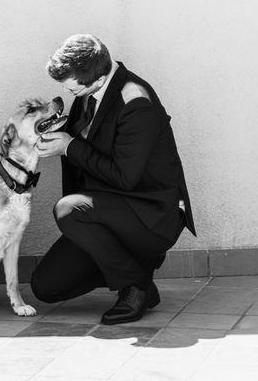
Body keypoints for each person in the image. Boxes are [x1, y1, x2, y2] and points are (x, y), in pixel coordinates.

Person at [32, 34, 196, 325]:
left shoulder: (135, 101)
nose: (65, 91)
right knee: (46, 287)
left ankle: (137, 286)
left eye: (69, 85)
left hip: (150, 214)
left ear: (94, 79)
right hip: (104, 214)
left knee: (68, 209)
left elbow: (125, 177)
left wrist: (69, 147)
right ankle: (137, 271)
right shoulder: (87, 93)